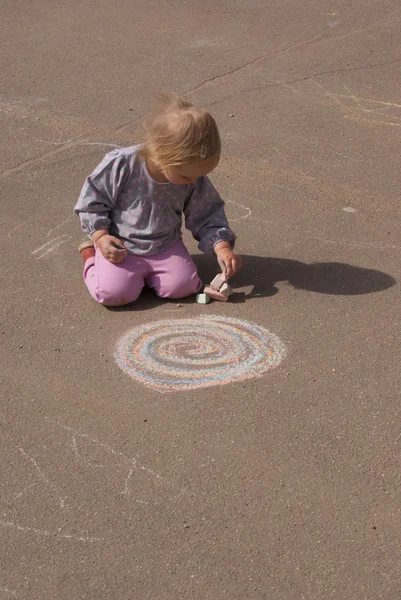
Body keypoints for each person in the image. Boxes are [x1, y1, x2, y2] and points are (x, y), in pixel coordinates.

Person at [74, 94, 242, 306]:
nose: (193, 181)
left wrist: (222, 247)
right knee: (113, 294)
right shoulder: (123, 165)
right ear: (163, 155)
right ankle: (91, 257)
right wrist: (100, 236)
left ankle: (141, 276)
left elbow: (206, 212)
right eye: (186, 176)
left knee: (184, 287)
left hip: (164, 244)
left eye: (198, 176)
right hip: (121, 246)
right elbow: (92, 200)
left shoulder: (190, 176)